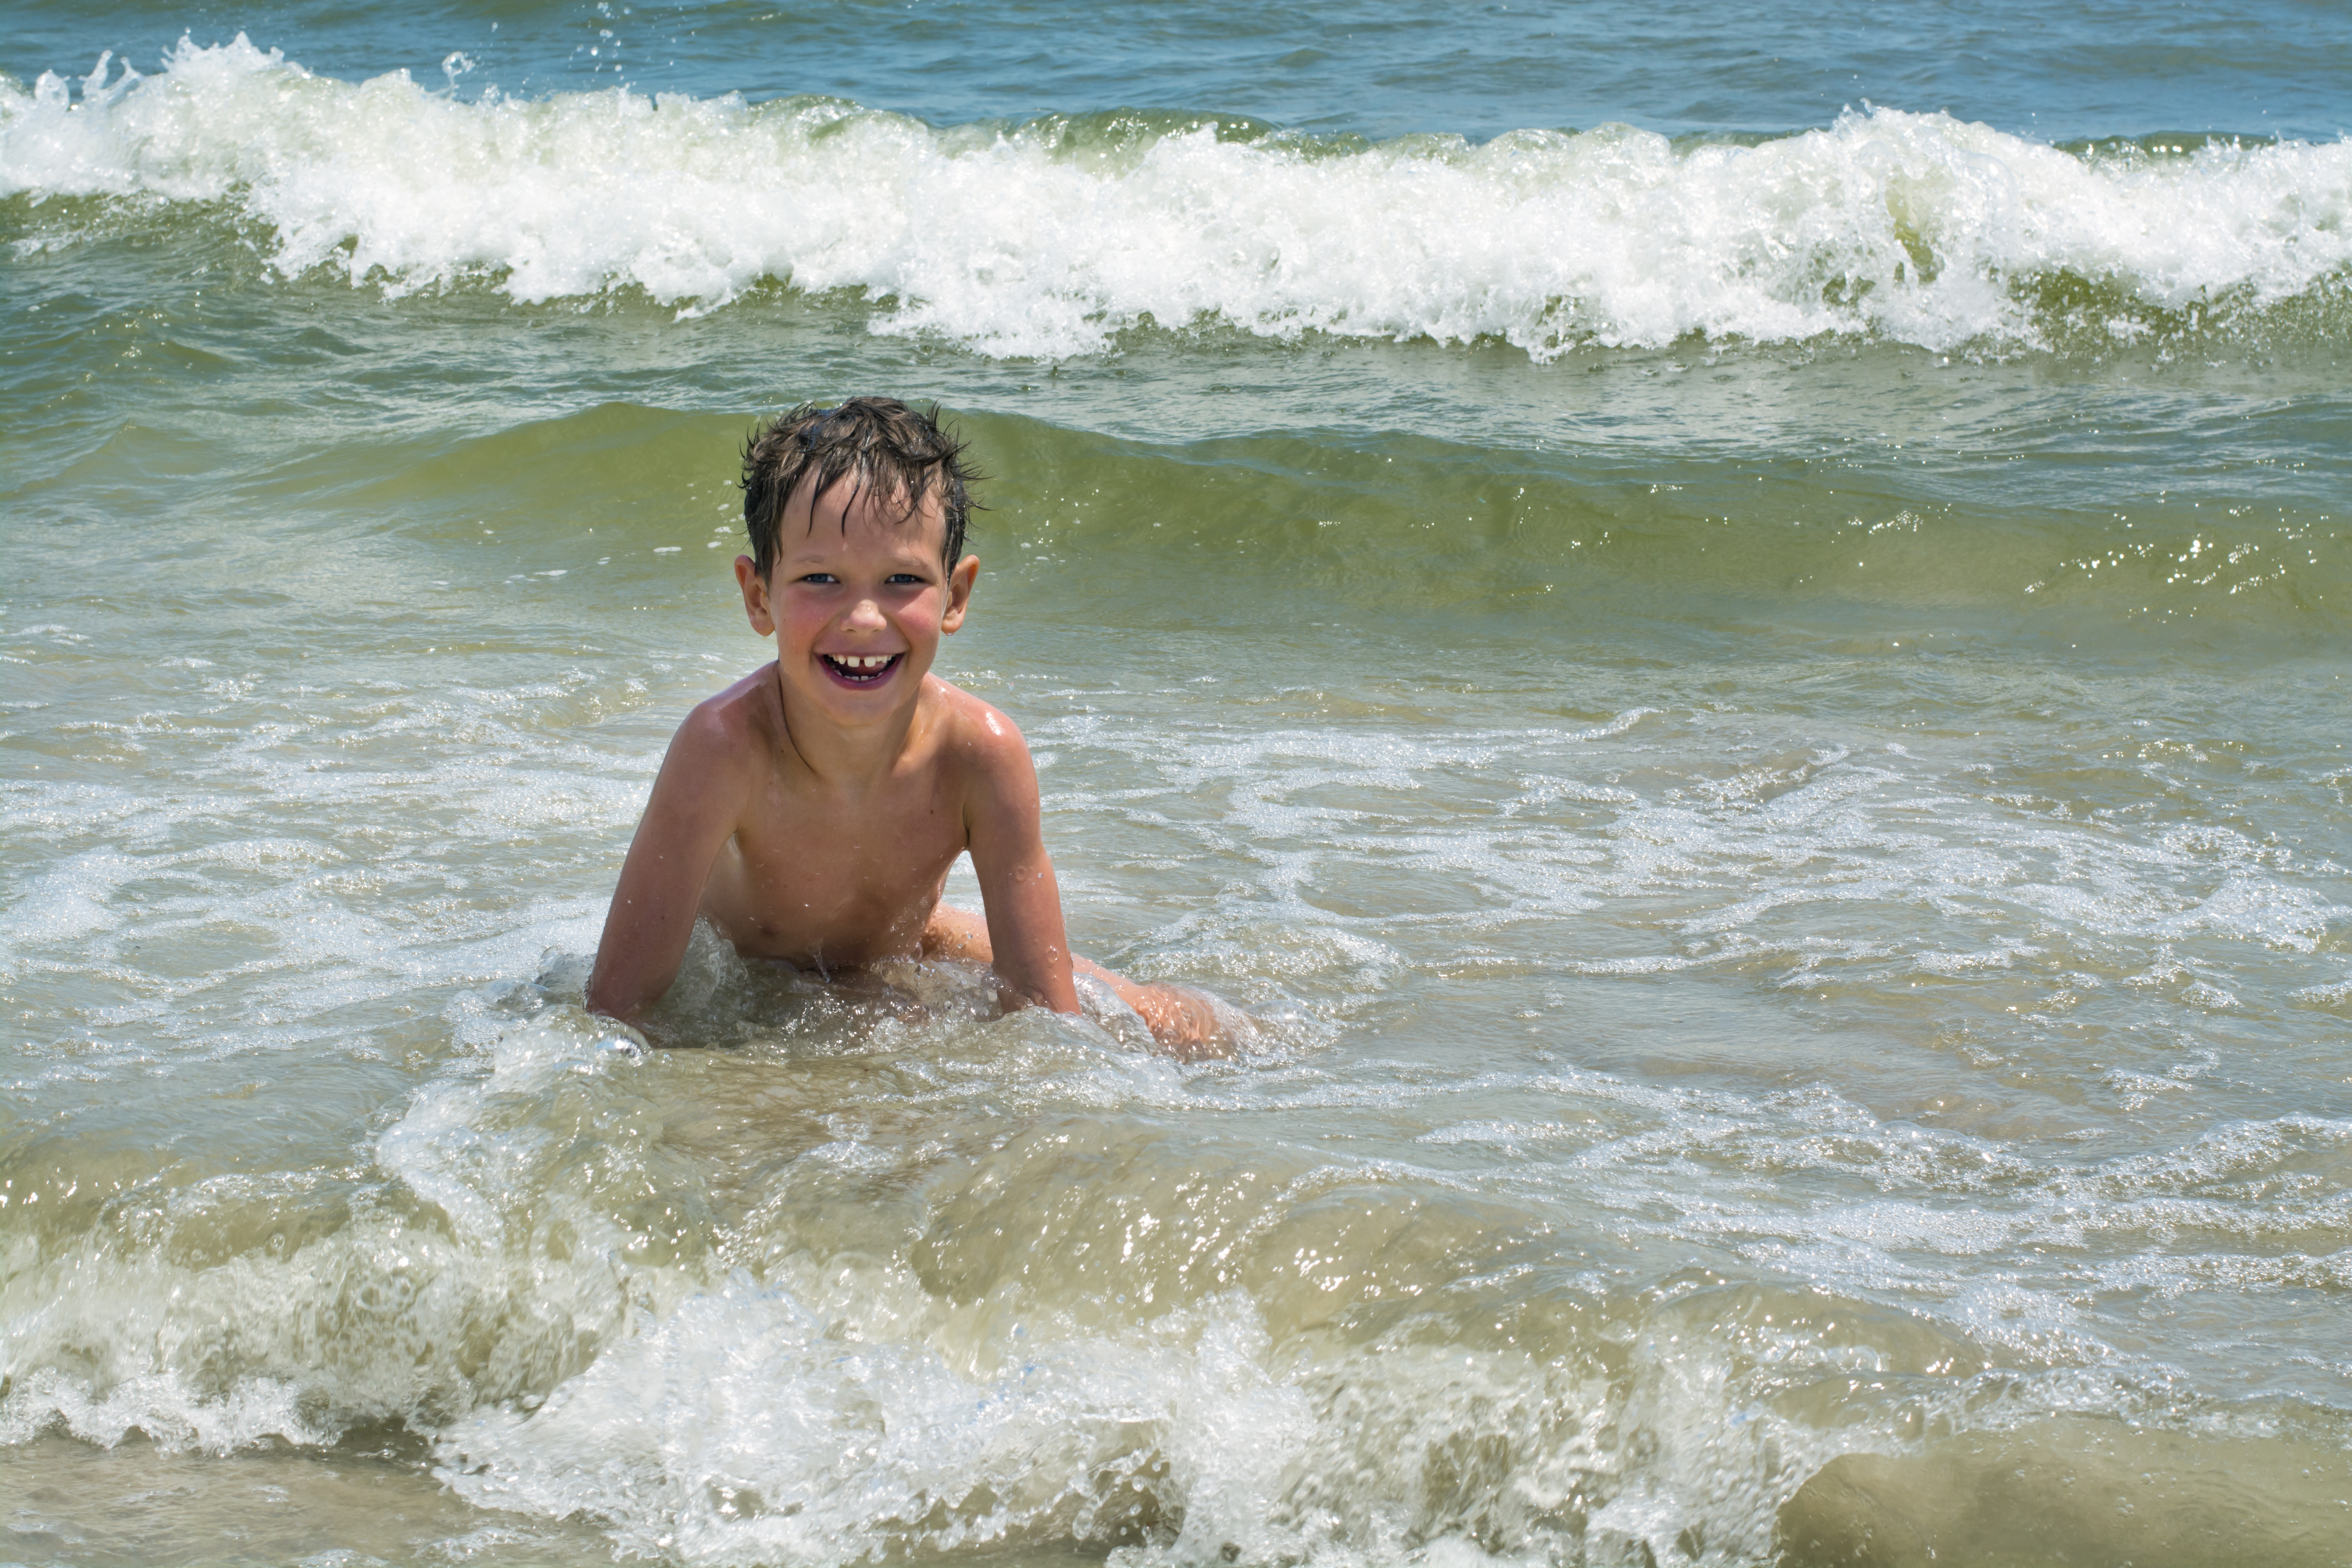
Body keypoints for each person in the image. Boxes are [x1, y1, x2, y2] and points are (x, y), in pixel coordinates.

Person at [585, 397, 1234, 1058]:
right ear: (760, 596)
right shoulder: (723, 750)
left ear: (954, 597)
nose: (864, 618)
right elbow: (616, 1004)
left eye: (902, 579)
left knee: (1162, 1026)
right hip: (759, 978)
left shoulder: (981, 754)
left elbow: (1043, 1009)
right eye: (820, 579)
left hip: (912, 953)